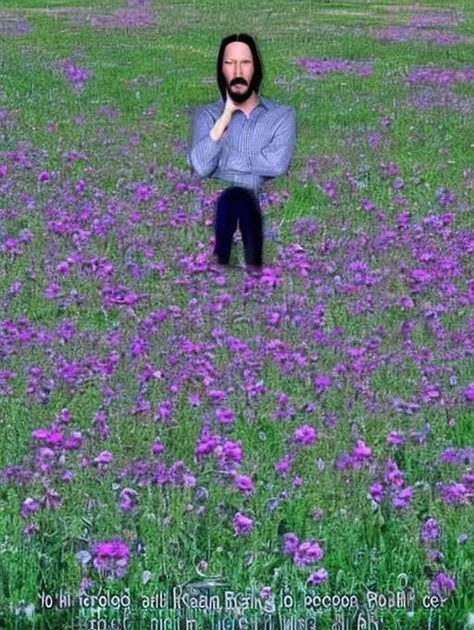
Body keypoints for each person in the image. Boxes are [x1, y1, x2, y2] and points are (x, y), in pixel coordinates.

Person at [188, 33, 297, 274]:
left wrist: (225, 162)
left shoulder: (281, 115)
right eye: (229, 63)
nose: (237, 71)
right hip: (224, 203)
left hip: (256, 204)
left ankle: (247, 269)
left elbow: (277, 165)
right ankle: (228, 268)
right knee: (233, 198)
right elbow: (201, 167)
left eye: (245, 63)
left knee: (239, 198)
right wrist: (225, 117)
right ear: (221, 70)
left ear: (256, 69)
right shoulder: (208, 116)